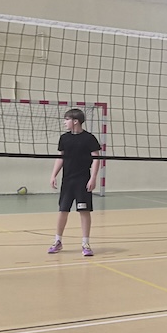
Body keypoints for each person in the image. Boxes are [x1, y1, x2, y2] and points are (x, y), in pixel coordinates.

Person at [48, 108, 102, 256]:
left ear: (76, 121)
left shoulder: (89, 138)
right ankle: (57, 241)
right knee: (63, 210)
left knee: (84, 211)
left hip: (83, 180)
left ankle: (85, 243)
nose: (64, 122)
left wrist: (93, 177)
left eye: (67, 119)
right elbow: (60, 158)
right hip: (67, 181)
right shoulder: (64, 138)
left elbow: (96, 159)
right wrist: (53, 175)